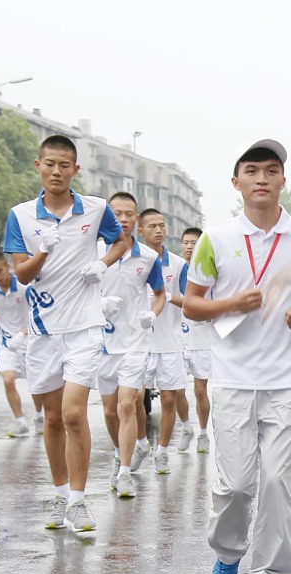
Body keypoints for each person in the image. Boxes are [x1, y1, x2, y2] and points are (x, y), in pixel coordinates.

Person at [184, 138, 291, 574]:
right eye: (252, 171)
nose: (261, 179)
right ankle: (228, 550)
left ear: (282, 181)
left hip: (287, 380)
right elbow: (192, 305)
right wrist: (233, 303)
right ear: (236, 182)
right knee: (235, 485)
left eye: (271, 171)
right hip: (232, 379)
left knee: (276, 482)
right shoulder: (215, 240)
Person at [3, 134, 130, 533]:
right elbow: (22, 274)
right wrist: (43, 250)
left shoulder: (95, 208)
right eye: (49, 164)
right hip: (44, 330)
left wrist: (103, 264)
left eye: (64, 165)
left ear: (75, 169)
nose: (56, 172)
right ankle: (60, 495)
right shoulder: (20, 215)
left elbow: (121, 241)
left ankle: (78, 500)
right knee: (53, 419)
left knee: (75, 413)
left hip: (84, 327)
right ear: (38, 166)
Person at [98, 192, 166, 499]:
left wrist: (152, 314)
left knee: (127, 403)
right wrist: (100, 305)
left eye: (129, 214)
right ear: (108, 217)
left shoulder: (148, 257)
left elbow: (160, 294)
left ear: (136, 218)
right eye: (117, 214)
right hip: (102, 341)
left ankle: (125, 472)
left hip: (135, 342)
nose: (123, 219)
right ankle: (118, 454)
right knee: (110, 410)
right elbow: (76, 291)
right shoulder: (95, 252)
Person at [139, 208, 190, 473]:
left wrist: (169, 297)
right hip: (139, 343)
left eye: (162, 225)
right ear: (141, 231)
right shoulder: (132, 260)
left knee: (169, 399)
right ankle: (139, 444)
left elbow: (190, 301)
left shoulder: (178, 264)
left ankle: (161, 452)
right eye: (152, 226)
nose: (159, 230)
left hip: (169, 342)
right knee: (134, 399)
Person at [0, 252, 42, 437]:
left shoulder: (25, 287)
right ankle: (20, 422)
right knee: (8, 380)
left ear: (7, 267)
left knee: (35, 384)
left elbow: (36, 313)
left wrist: (22, 334)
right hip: (6, 342)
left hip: (28, 340)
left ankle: (39, 415)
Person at [175, 226, 211, 453]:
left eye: (194, 243)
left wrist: (172, 299)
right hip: (178, 338)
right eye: (186, 243)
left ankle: (203, 433)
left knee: (200, 390)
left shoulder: (208, 271)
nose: (189, 247)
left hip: (201, 339)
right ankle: (187, 427)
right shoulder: (175, 269)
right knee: (176, 389)